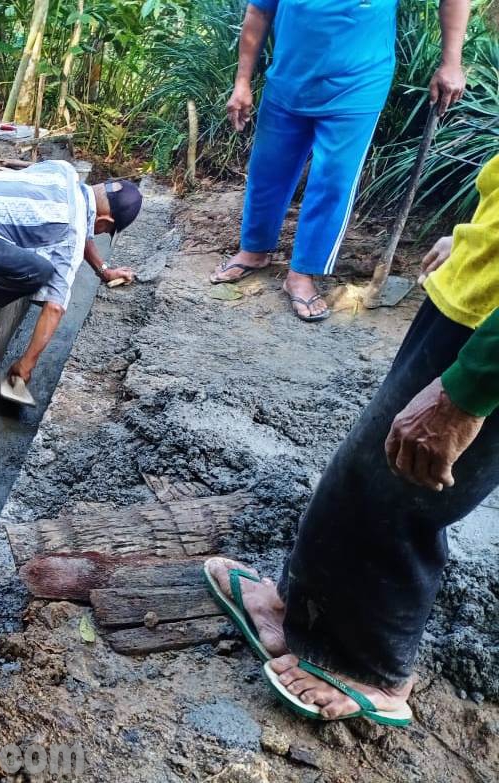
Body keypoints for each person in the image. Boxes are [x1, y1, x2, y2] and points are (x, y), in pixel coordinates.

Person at [205, 154, 499, 724]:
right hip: (479, 295)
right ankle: (302, 614)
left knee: (407, 491)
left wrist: (468, 391)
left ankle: (374, 670)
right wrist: (474, 240)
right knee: (363, 469)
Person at [210, 0, 469, 322]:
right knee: (267, 170)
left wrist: (451, 62)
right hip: (287, 82)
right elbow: (259, 11)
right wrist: (242, 82)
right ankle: (254, 250)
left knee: (333, 180)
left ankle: (302, 273)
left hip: (357, 85)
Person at [0, 160, 142, 394]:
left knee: (32, 253)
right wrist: (25, 366)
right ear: (105, 222)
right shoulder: (72, 229)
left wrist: (103, 270)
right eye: (106, 231)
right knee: (39, 272)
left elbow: (82, 230)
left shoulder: (64, 171)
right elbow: (55, 308)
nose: (99, 234)